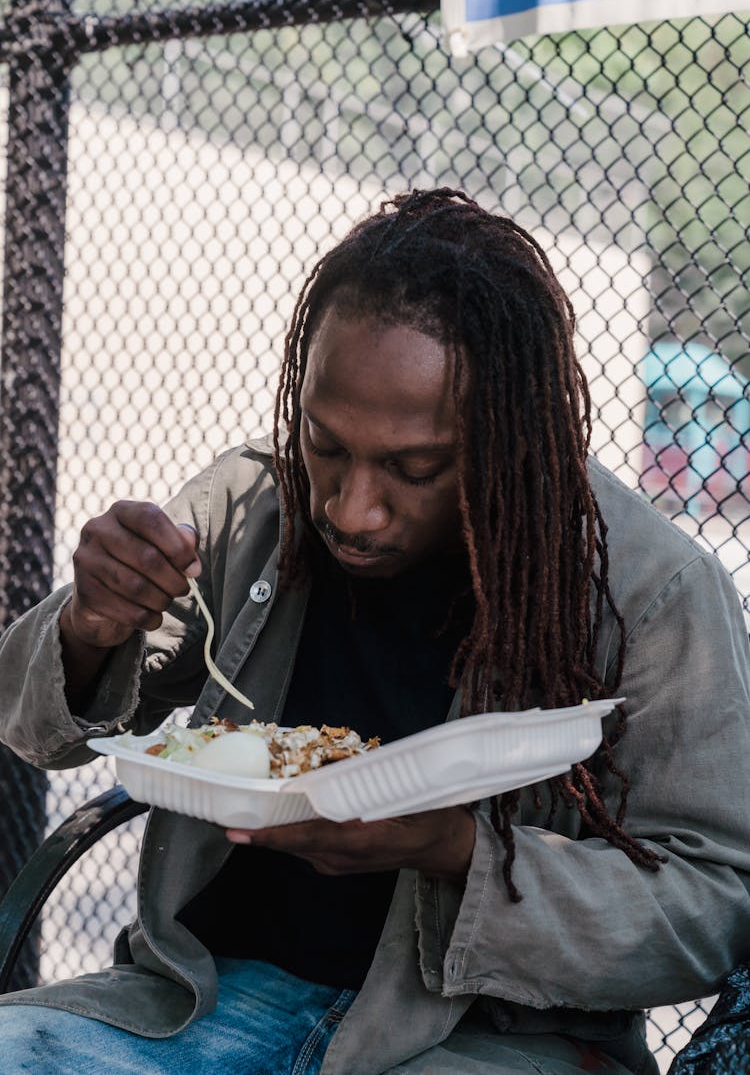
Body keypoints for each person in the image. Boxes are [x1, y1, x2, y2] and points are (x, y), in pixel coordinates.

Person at [0, 187, 748, 1075]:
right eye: (324, 441)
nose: (350, 508)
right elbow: (31, 725)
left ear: (512, 439)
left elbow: (712, 904)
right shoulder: (251, 509)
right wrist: (90, 622)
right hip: (196, 1002)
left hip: (481, 1042)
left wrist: (459, 853)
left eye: (414, 466)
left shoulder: (648, 588)